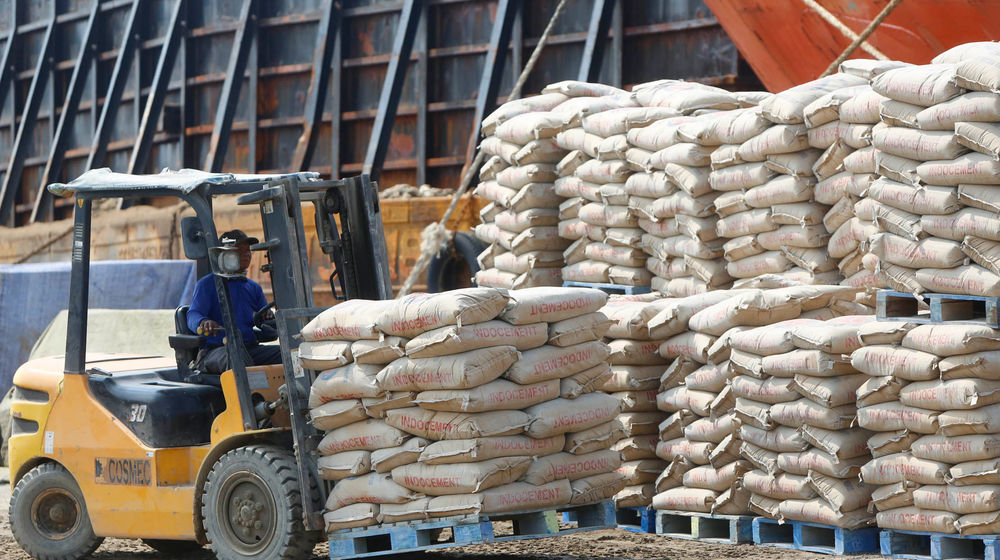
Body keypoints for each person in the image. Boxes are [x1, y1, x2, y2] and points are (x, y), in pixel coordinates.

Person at [187, 229, 281, 374]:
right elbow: (193, 314)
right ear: (224, 255)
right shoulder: (207, 285)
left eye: (248, 250)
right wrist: (202, 322)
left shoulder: (253, 287)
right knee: (236, 358)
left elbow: (269, 326)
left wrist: (268, 318)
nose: (247, 254)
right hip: (216, 351)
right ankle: (249, 397)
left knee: (289, 353)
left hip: (249, 348)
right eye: (240, 251)